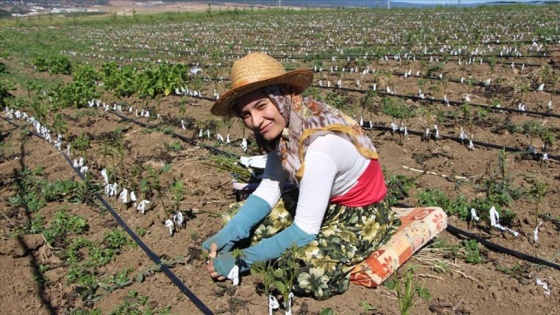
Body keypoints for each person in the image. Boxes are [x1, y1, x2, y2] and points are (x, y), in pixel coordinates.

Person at [202, 52, 400, 300]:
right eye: (246, 114)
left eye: (261, 106)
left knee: (302, 270)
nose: (256, 121)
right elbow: (270, 188)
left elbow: (304, 231)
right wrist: (231, 232)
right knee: (235, 218)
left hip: (358, 213)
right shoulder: (288, 128)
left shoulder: (319, 146)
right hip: (319, 199)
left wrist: (243, 260)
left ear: (281, 97)